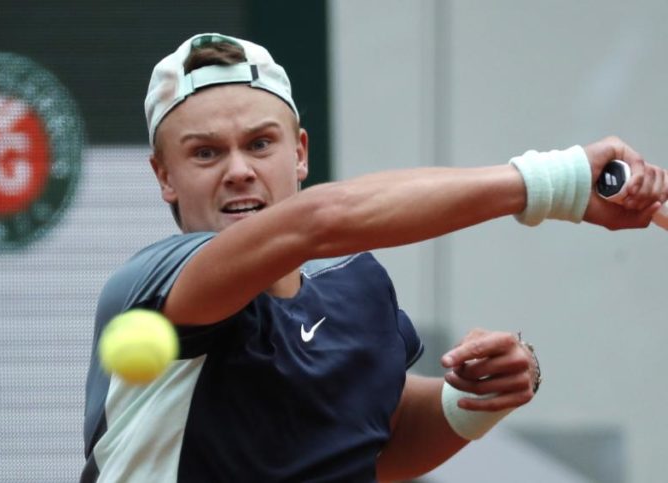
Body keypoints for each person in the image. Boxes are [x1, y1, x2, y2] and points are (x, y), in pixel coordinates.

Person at [81, 33, 667, 482]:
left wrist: (478, 396)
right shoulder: (153, 287)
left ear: (300, 153)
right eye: (206, 153)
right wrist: (555, 182)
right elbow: (317, 222)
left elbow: (383, 439)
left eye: (260, 144)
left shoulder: (352, 290)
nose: (239, 170)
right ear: (165, 177)